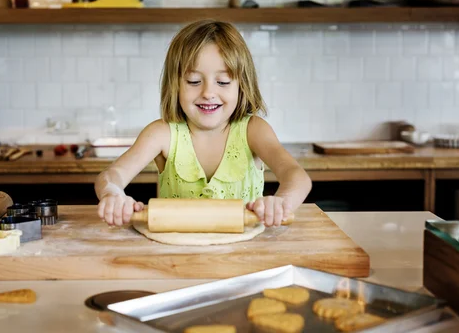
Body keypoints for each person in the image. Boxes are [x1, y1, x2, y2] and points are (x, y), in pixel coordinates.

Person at [95, 19, 312, 228]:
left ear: (241, 85)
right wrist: (112, 194)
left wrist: (281, 203)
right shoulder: (161, 134)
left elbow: (297, 176)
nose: (208, 93)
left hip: (244, 257)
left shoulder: (253, 131)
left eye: (223, 82)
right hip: (176, 258)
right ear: (175, 85)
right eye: (194, 81)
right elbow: (111, 176)